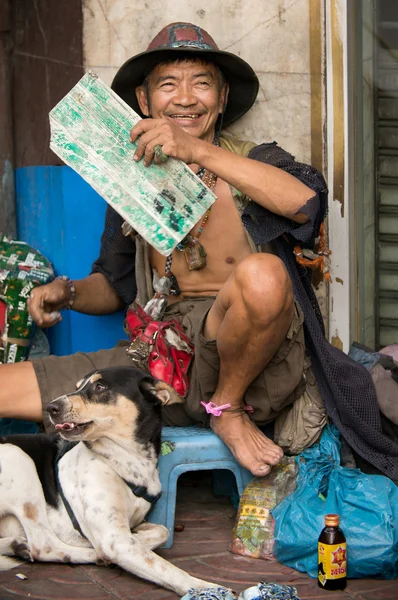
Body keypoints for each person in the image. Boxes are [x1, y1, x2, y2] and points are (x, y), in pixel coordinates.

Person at [1, 22, 397, 481]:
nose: (186, 98)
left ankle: (225, 409)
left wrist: (196, 151)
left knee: (264, 275)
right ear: (145, 102)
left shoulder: (256, 160)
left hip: (250, 367)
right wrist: (65, 293)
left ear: (222, 97)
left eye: (201, 84)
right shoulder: (130, 180)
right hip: (158, 359)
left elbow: (305, 203)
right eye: (168, 84)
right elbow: (112, 286)